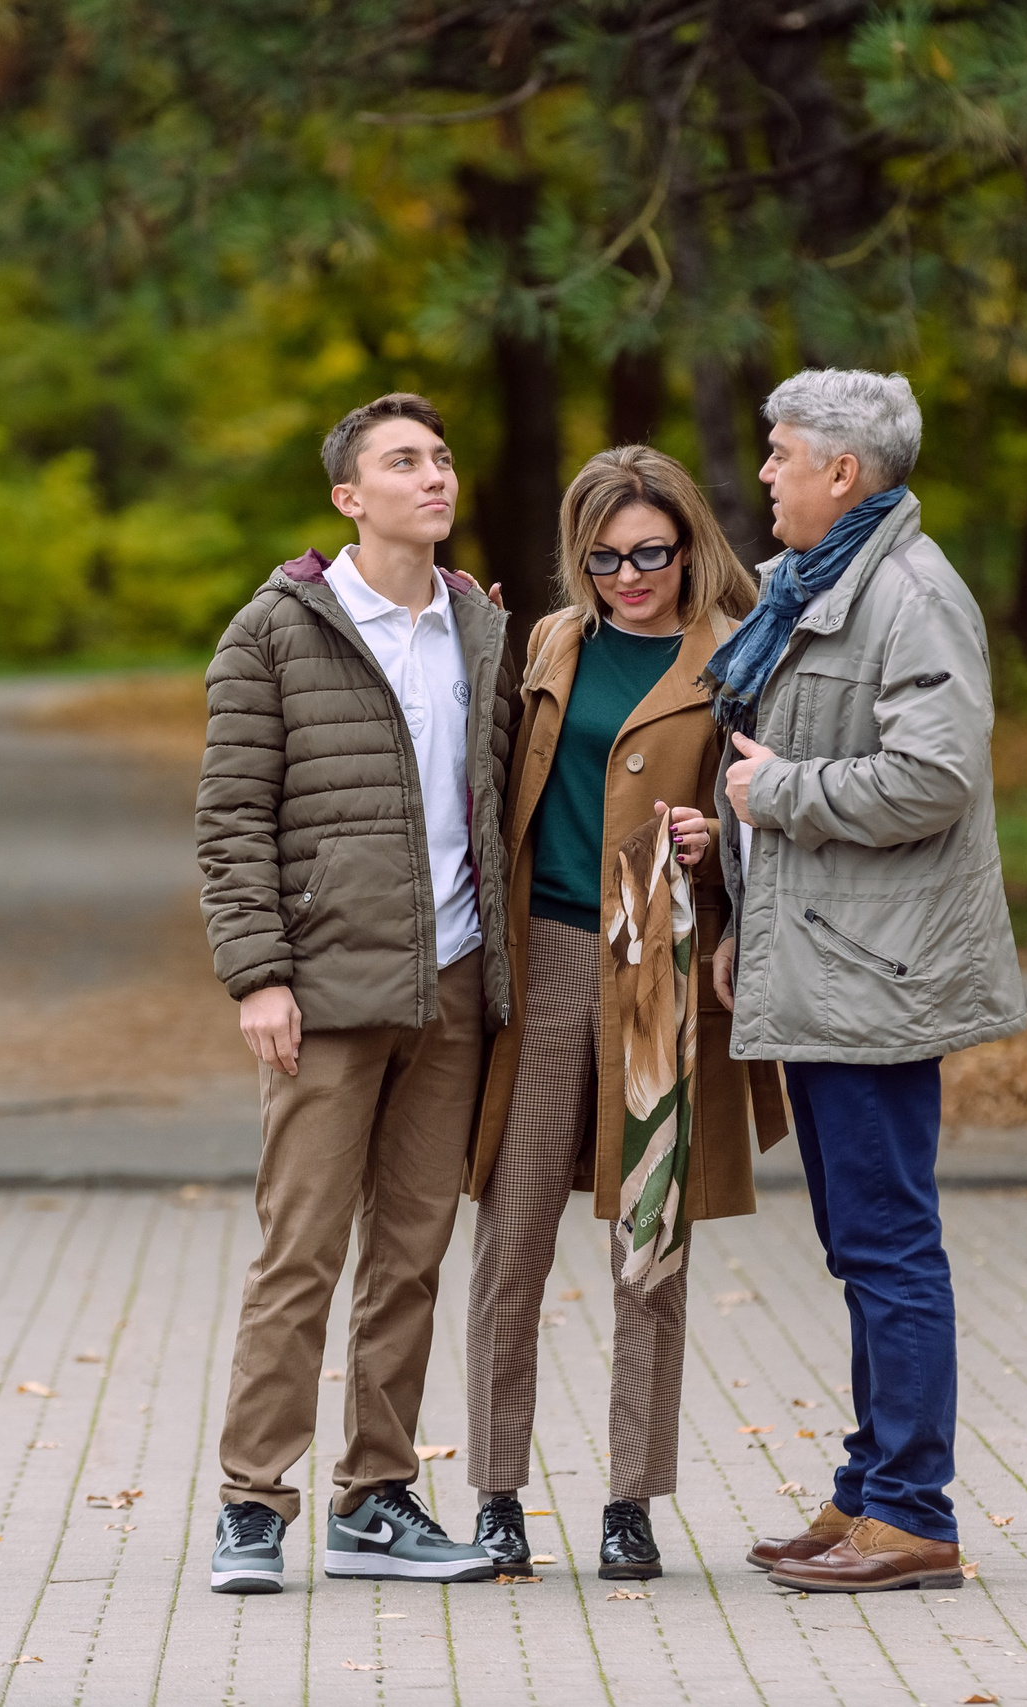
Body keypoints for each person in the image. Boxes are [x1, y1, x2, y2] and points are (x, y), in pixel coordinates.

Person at [709, 370, 1026, 1593]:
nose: (768, 473)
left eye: (783, 453)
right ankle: (866, 1494)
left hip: (877, 977)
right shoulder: (827, 584)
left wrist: (776, 793)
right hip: (828, 964)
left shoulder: (909, 589)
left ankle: (912, 1514)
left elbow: (931, 777)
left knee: (889, 1247)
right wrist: (742, 896)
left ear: (844, 471)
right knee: (858, 1245)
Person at [195, 392, 516, 1594]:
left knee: (412, 1256)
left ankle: (376, 1499)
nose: (433, 476)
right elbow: (229, 822)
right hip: (324, 994)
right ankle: (250, 1504)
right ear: (349, 498)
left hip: (452, 983)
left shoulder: (482, 626)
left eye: (439, 456)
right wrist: (259, 976)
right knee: (300, 1255)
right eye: (402, 462)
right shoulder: (274, 632)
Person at [460, 447, 789, 1582]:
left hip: (659, 955)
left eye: (650, 552)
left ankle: (629, 1503)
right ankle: (497, 1497)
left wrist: (716, 844)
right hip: (547, 952)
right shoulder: (551, 643)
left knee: (649, 1242)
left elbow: (768, 800)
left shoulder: (741, 654)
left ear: (689, 544)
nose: (628, 577)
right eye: (603, 559)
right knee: (511, 1237)